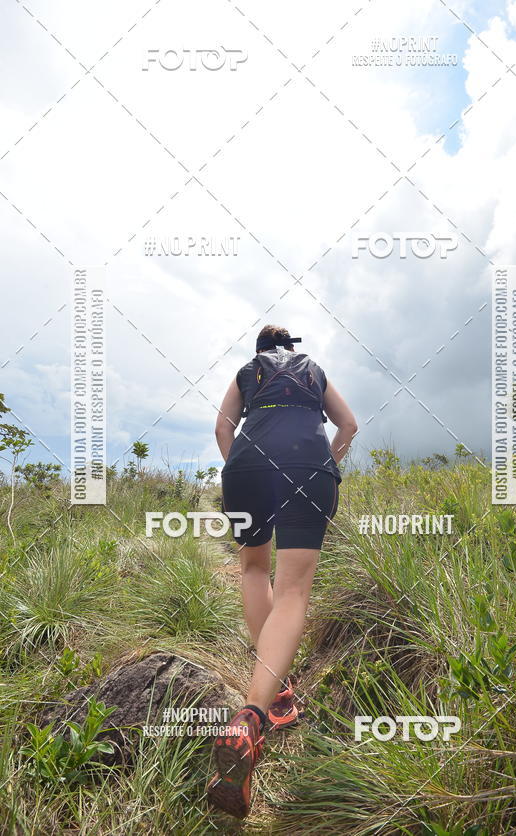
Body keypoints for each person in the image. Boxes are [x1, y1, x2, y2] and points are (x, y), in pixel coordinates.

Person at [206, 324, 358, 818]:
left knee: (254, 570)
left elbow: (222, 428)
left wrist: (242, 470)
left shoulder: (246, 371)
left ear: (259, 351)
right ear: (290, 348)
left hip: (247, 470)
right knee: (293, 589)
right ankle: (253, 712)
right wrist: (328, 466)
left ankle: (279, 693)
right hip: (308, 469)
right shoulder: (313, 369)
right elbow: (349, 425)